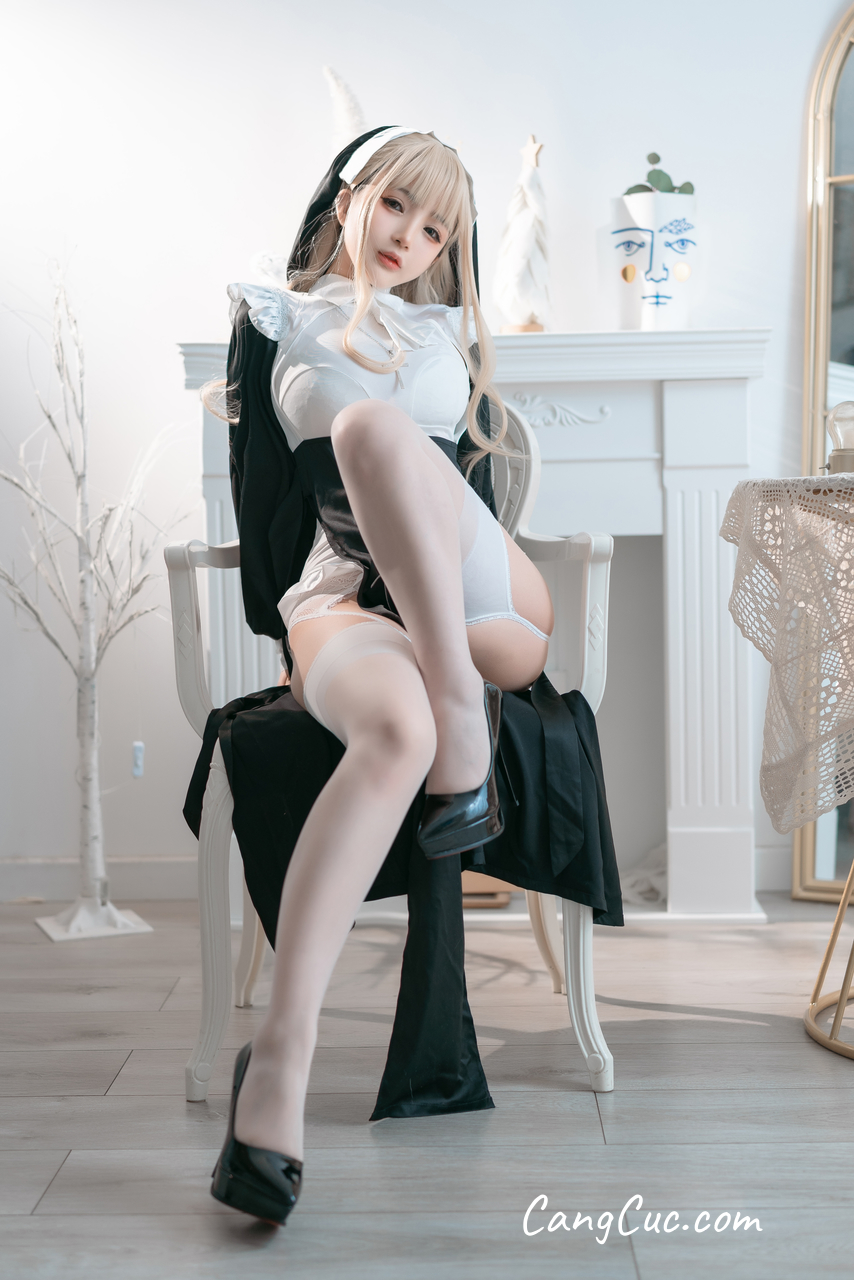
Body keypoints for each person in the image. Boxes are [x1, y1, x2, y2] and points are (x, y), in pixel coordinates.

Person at [207, 127, 554, 1225]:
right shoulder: (277, 316)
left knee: (375, 427)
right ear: (351, 195)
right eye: (397, 205)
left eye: (437, 228)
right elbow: (270, 502)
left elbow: (456, 487)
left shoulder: (442, 330)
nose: (411, 238)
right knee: (395, 732)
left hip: (482, 597)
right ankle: (281, 1055)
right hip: (342, 597)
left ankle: (458, 708)